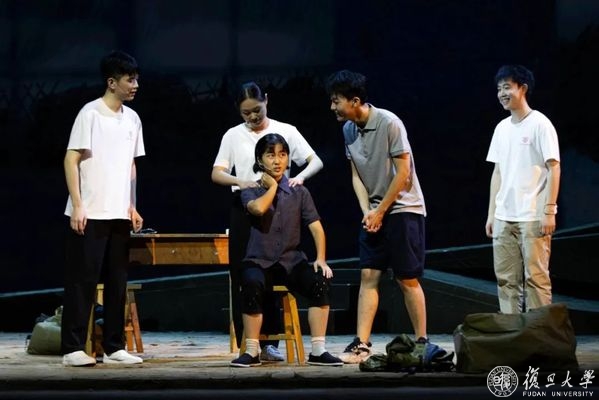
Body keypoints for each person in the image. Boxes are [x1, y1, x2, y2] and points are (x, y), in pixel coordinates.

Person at [212, 82, 323, 361]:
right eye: (246, 113)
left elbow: (315, 161)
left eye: (257, 110)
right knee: (247, 274)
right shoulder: (233, 135)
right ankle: (250, 343)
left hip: (281, 203)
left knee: (278, 268)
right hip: (246, 204)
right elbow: (217, 172)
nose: (252, 117)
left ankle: (271, 342)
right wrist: (242, 181)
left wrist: (300, 178)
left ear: (266, 102)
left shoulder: (287, 130)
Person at [326, 70, 429, 364]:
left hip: (403, 208)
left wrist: (381, 210)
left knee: (406, 278)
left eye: (336, 101)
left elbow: (403, 173)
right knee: (368, 275)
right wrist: (368, 212)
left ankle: (422, 341)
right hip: (374, 212)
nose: (332, 107)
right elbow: (356, 175)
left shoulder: (389, 122)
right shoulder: (348, 130)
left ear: (355, 101)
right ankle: (362, 343)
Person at [61, 50, 145, 367]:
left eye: (136, 79)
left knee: (117, 283)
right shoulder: (90, 114)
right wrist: (78, 205)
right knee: (82, 282)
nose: (135, 85)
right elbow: (71, 159)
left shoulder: (132, 119)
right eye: (130, 80)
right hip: (90, 212)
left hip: (119, 213)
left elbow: (131, 166)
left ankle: (114, 347)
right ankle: (72, 348)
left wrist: (132, 205)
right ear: (112, 82)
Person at [230, 134, 342, 367]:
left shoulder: (299, 192)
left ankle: (318, 350)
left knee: (319, 282)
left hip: (291, 262)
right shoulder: (250, 189)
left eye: (282, 154)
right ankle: (252, 351)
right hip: (259, 261)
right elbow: (258, 209)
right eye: (271, 155)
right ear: (260, 160)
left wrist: (321, 259)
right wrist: (272, 187)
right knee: (251, 283)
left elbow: (316, 227)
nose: (277, 160)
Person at [485, 64, 561, 314]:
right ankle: (512, 331)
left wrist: (549, 210)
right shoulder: (501, 128)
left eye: (507, 87)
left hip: (533, 215)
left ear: (523, 89)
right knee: (506, 280)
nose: (502, 93)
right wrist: (491, 214)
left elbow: (554, 168)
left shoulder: (540, 124)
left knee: (536, 278)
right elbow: (497, 172)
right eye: (499, 89)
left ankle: (540, 332)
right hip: (503, 216)